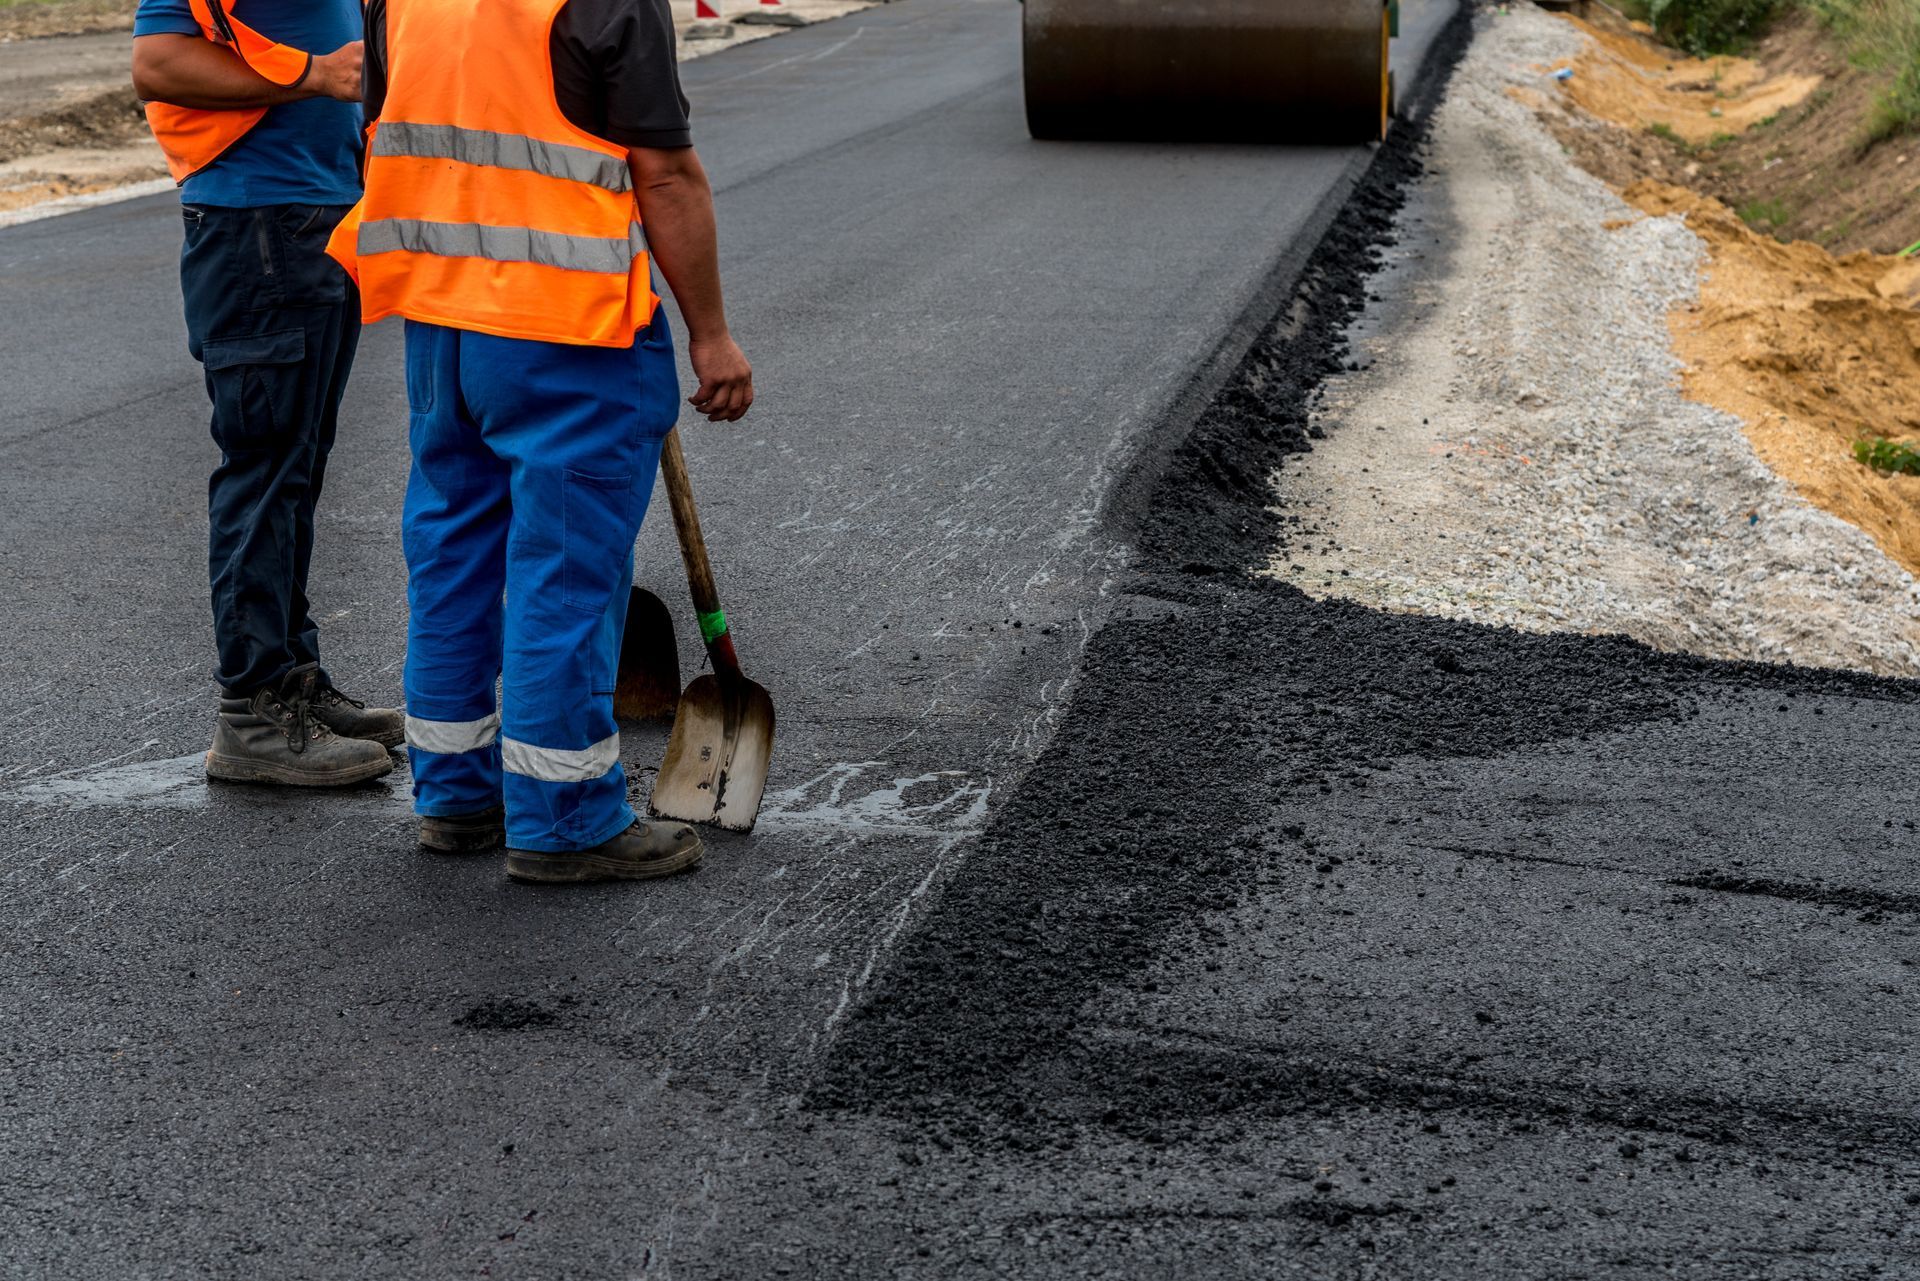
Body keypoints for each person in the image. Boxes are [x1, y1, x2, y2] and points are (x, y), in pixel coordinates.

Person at [330, 0, 755, 882]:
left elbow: (394, 130)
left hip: (442, 326)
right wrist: (709, 334)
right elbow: (666, 174)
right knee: (563, 573)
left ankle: (455, 795)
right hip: (567, 331)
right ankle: (564, 816)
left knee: (453, 555)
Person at [132, 0, 404, 786]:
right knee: (263, 470)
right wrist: (316, 76)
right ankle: (251, 710)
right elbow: (159, 63)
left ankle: (291, 680)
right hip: (258, 225)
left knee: (295, 471)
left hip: (314, 222)